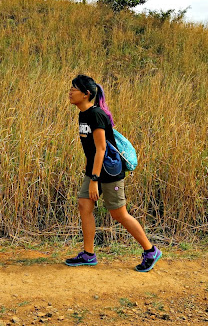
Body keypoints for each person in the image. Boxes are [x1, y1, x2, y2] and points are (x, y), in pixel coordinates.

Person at [65, 74, 162, 272]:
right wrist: (91, 174)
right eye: (71, 88)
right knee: (84, 205)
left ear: (86, 94)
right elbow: (91, 150)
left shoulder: (96, 115)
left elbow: (101, 149)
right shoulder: (82, 114)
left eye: (74, 89)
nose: (70, 92)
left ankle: (150, 250)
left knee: (119, 214)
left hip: (108, 173)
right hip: (94, 170)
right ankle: (89, 254)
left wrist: (94, 180)